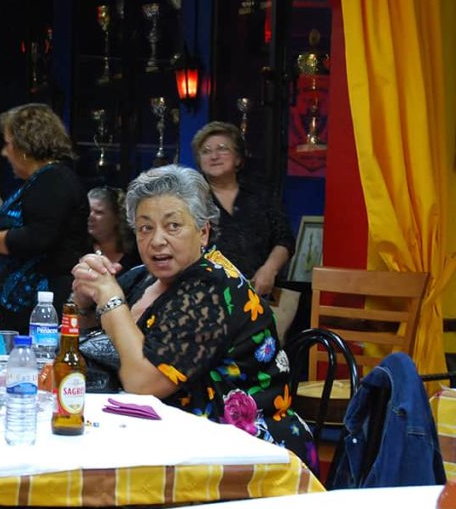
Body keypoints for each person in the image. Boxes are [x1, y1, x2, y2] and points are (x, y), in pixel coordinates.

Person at [71, 165, 317, 470]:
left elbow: (142, 383)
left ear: (203, 231)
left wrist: (110, 300)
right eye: (145, 228)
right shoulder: (143, 279)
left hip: (241, 454)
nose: (157, 240)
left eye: (172, 226)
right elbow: (97, 345)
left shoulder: (212, 289)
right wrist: (84, 301)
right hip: (166, 440)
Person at [0, 104, 90, 332]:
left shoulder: (54, 179)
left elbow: (39, 236)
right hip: (22, 307)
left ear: (25, 145)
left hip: (42, 308)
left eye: (8, 143)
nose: (4, 152)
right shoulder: (41, 180)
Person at [192, 121, 294, 296]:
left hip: (258, 292)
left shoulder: (261, 195)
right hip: (206, 294)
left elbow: (284, 239)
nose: (214, 156)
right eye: (206, 151)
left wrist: (269, 270)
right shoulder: (191, 199)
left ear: (238, 158)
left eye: (222, 149)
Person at [87, 186, 140, 270]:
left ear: (117, 218)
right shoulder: (79, 250)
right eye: (88, 211)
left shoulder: (136, 253)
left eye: (99, 212)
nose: (90, 217)